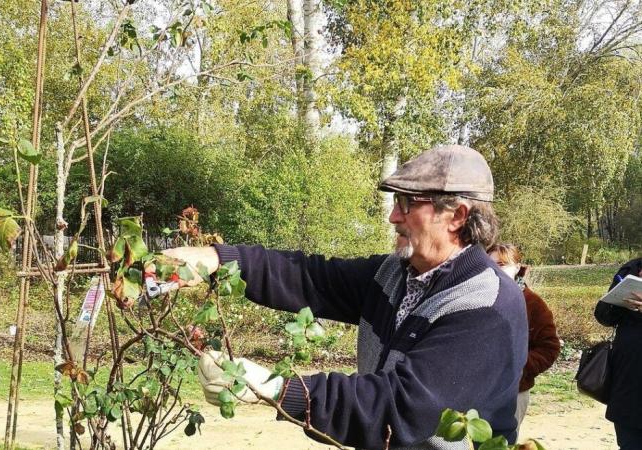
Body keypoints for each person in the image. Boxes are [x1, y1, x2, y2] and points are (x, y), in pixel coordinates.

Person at [166, 145, 528, 449]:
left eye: (406, 203)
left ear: (456, 217)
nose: (393, 216)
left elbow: (398, 407)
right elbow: (310, 278)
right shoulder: (395, 274)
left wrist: (275, 388)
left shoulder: (487, 306)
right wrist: (217, 259)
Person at [487, 243, 560, 435]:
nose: (495, 269)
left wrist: (517, 367)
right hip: (473, 391)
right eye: (490, 263)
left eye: (502, 264)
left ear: (517, 267)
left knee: (500, 445)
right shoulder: (473, 297)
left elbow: (549, 348)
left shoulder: (532, 303)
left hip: (512, 392)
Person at [594, 257, 642, 450]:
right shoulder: (632, 268)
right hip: (629, 379)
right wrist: (619, 302)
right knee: (630, 442)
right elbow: (603, 316)